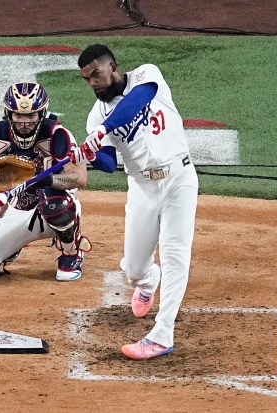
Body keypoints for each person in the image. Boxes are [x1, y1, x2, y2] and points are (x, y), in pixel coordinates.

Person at [71, 44, 199, 360]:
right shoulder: (95, 115)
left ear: (112, 66)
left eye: (96, 74)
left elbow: (134, 104)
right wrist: (88, 155)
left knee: (174, 254)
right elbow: (109, 163)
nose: (93, 83)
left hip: (179, 179)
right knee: (134, 268)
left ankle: (161, 335)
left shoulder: (147, 75)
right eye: (87, 79)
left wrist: (102, 131)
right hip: (142, 188)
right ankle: (146, 282)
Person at [0, 82, 89, 283]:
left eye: (30, 115)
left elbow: (80, 179)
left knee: (52, 201)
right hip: (18, 207)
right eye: (18, 116)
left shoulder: (58, 136)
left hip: (56, 206)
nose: (24, 122)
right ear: (9, 115)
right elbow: (2, 182)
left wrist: (49, 179)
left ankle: (72, 252)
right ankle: (12, 245)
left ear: (41, 114)